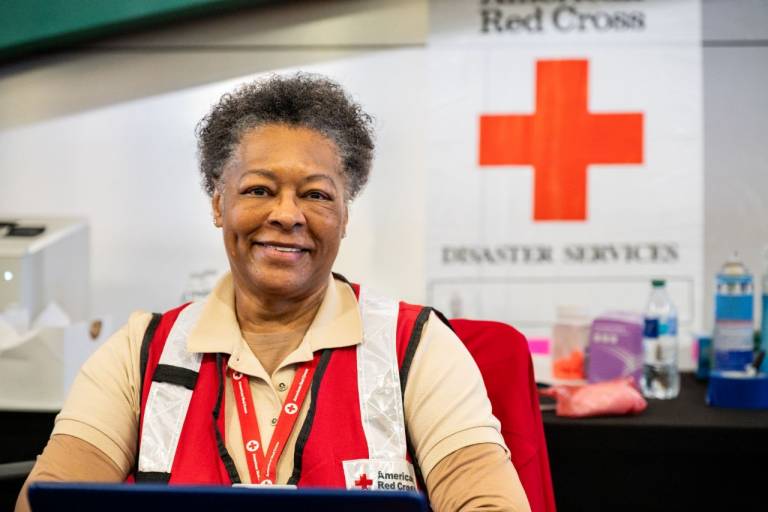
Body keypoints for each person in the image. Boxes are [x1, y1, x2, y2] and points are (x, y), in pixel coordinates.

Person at [16, 73, 531, 512]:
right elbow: (52, 495)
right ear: (219, 204)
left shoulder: (416, 346)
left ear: (344, 216)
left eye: (316, 195)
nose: (287, 214)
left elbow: (487, 501)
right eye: (259, 190)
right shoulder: (141, 350)